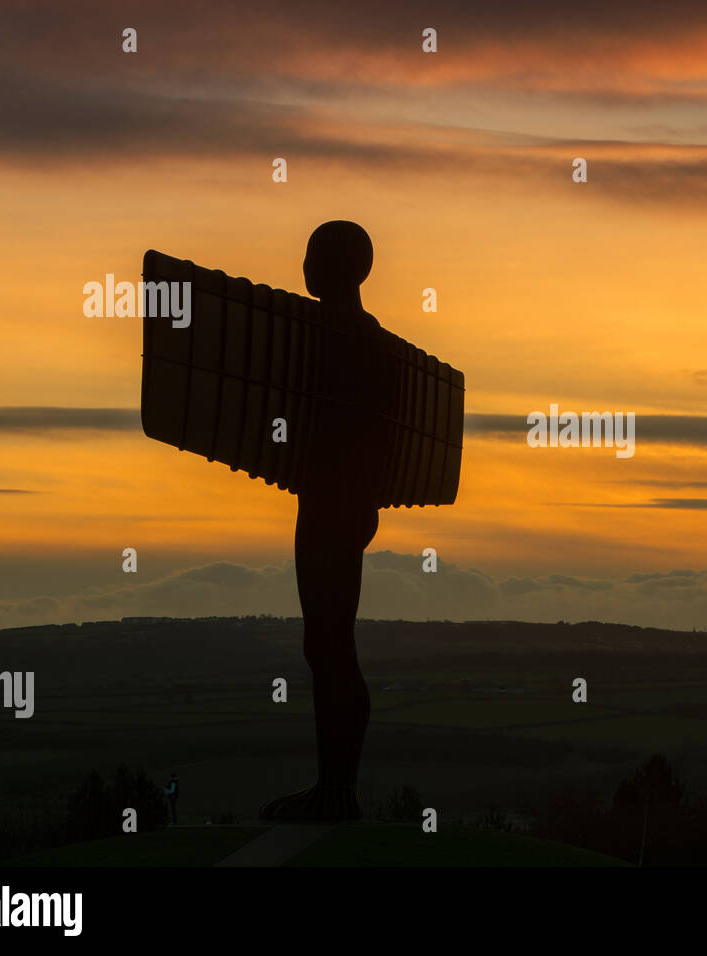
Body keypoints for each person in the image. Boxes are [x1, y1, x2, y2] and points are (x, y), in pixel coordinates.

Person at [259, 221, 384, 821]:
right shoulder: (368, 336)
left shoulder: (325, 335)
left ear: (334, 266)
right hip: (345, 502)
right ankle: (333, 787)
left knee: (330, 644)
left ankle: (337, 794)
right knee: (328, 644)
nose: (302, 265)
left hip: (334, 503)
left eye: (310, 255)